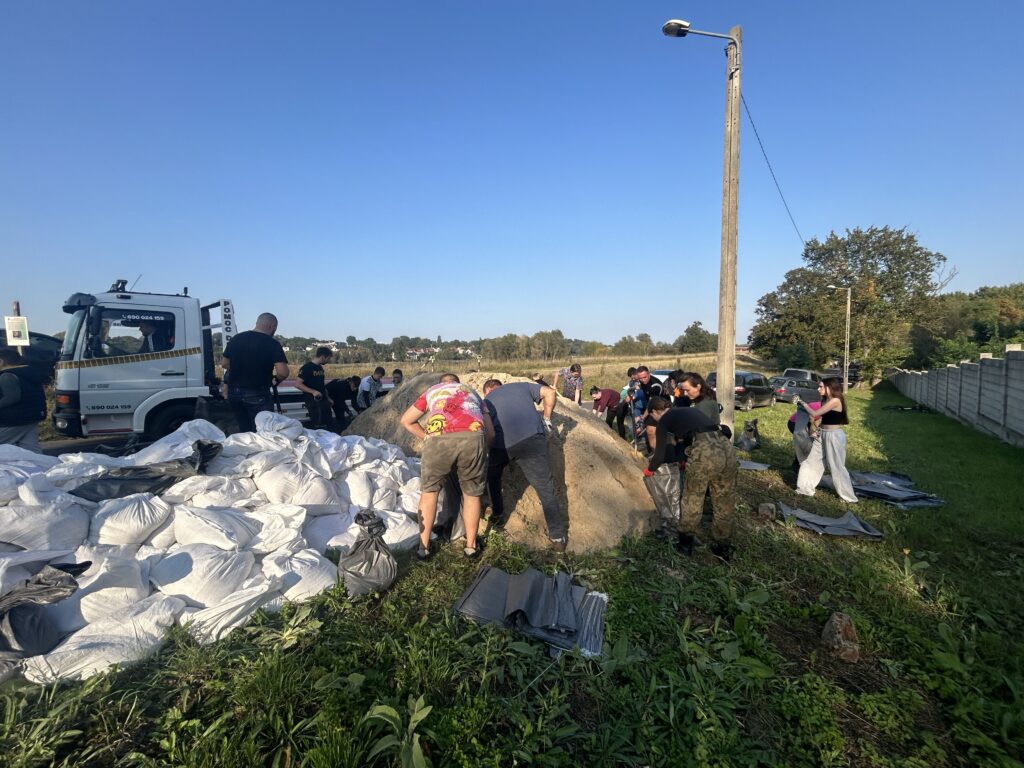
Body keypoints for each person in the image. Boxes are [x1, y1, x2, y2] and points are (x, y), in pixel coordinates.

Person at [400, 374, 494, 559]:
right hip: (473, 437)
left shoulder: (432, 391)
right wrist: (482, 449)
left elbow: (406, 420)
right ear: (457, 382)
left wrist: (427, 437)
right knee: (472, 494)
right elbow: (490, 432)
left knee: (430, 492)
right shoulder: (472, 392)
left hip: (438, 438)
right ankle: (471, 546)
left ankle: (423, 548)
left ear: (442, 383)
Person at [482, 379, 568, 552]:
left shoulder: (485, 402)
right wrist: (547, 418)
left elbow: (486, 430)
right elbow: (550, 393)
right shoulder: (521, 386)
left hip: (502, 444)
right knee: (545, 487)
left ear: (487, 390)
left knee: (492, 476)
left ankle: (498, 514)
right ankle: (558, 537)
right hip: (532, 438)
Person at [644, 406, 737, 561]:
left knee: (693, 498)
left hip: (705, 451)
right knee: (724, 501)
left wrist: (650, 470)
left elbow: (659, 455)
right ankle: (722, 548)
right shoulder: (689, 412)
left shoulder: (665, 420)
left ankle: (685, 545)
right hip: (726, 448)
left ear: (655, 413)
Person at [221, 312, 289, 432]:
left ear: (257, 323)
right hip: (258, 393)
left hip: (234, 393)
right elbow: (283, 372)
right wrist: (276, 380)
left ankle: (245, 449)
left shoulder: (236, 339)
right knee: (264, 430)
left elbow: (224, 363)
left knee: (244, 428)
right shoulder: (272, 343)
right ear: (272, 326)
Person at [795, 377, 858, 503]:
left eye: (821, 386)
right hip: (822, 434)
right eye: (818, 386)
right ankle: (804, 488)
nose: (818, 389)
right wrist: (817, 429)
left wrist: (802, 403)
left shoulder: (835, 400)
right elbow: (822, 419)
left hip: (834, 436)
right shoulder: (826, 400)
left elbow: (814, 413)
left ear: (830, 387)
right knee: (811, 461)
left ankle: (848, 497)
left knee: (836, 466)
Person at [0, 348, 47, 452]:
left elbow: (11, 397)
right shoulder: (28, 373)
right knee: (30, 449)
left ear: (1, 361)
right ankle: (43, 467)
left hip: (13, 420)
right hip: (31, 417)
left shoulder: (7, 375)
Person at [296, 347, 333, 429]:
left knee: (329, 423)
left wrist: (328, 398)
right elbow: (298, 384)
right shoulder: (306, 368)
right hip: (313, 402)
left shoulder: (320, 368)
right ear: (323, 356)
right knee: (318, 426)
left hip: (323, 401)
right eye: (328, 358)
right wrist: (313, 392)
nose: (328, 361)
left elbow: (321, 385)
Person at [614, 367, 639, 439]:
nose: (633, 378)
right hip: (630, 405)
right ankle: (635, 438)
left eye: (633, 377)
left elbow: (638, 391)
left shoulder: (640, 381)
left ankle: (640, 439)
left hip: (638, 405)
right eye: (631, 377)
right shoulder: (632, 382)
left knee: (638, 424)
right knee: (631, 424)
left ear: (636, 373)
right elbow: (631, 391)